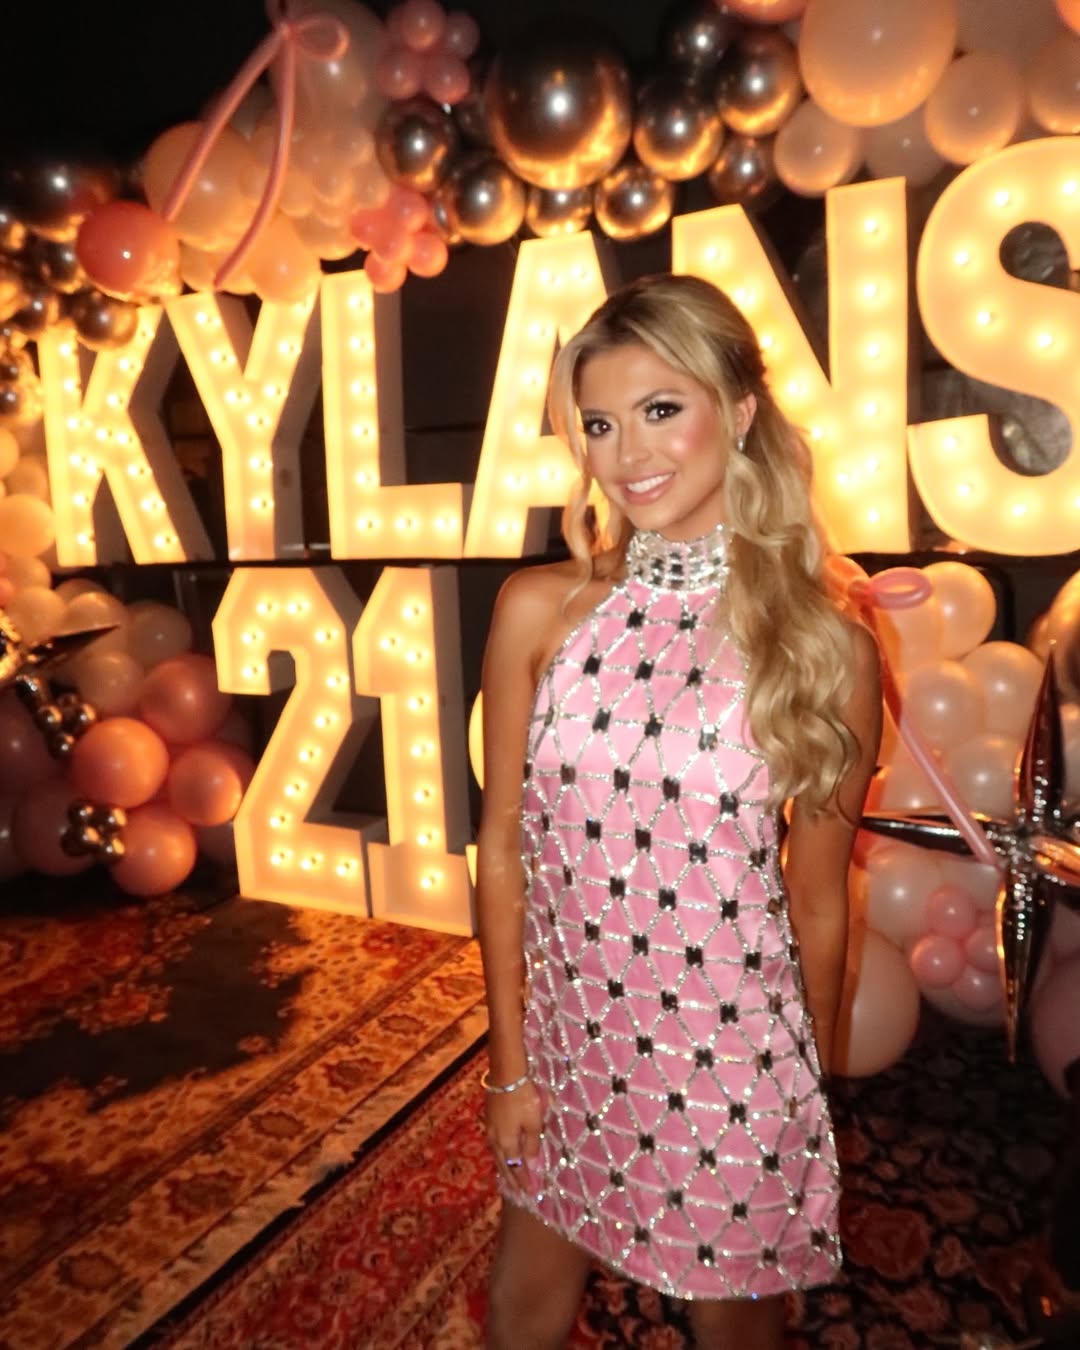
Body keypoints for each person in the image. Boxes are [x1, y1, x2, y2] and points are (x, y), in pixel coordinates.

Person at [474, 273, 881, 1349]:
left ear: (739, 412)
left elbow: (818, 904)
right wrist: (509, 1063)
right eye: (600, 424)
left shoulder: (824, 648)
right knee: (522, 1301)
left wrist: (805, 1097)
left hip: (734, 1059)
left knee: (732, 1329)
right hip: (572, 1037)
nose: (628, 453)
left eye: (661, 409)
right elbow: (503, 847)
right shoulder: (537, 611)